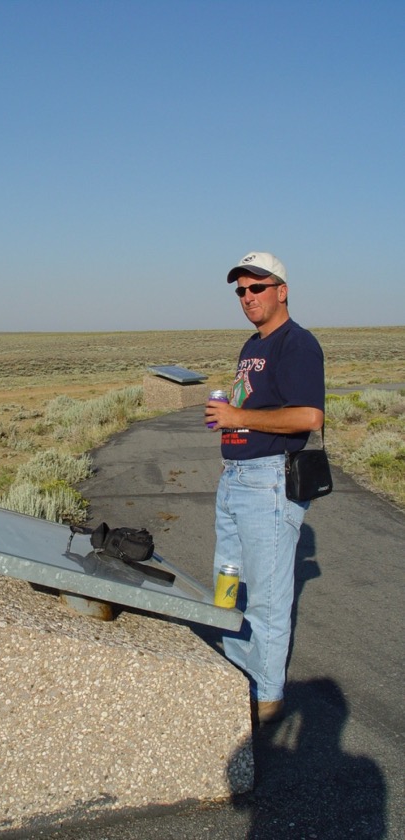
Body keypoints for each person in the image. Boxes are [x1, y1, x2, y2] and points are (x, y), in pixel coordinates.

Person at [204, 251, 325, 726]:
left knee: (269, 599)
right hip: (235, 481)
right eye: (241, 290)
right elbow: (250, 407)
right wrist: (229, 419)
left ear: (282, 290)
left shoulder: (297, 344)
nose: (248, 297)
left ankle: (266, 699)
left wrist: (239, 418)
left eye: (257, 287)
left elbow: (308, 417)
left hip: (268, 483)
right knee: (229, 586)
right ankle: (236, 677)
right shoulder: (252, 346)